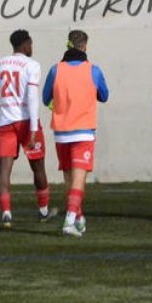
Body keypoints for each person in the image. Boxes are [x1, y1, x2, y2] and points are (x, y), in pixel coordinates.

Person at [42, 30, 108, 237]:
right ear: (85, 46)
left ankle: (78, 218)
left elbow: (45, 98)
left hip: (61, 132)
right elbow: (104, 95)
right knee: (79, 179)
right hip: (83, 132)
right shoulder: (93, 70)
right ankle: (69, 221)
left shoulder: (56, 70)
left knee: (69, 178)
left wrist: (59, 103)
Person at [0, 29, 55, 228]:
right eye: (31, 44)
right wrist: (34, 128)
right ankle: (43, 210)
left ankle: (6, 214)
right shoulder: (32, 65)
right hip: (27, 121)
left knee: (4, 168)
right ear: (26, 44)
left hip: (5, 120)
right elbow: (32, 97)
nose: (32, 48)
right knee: (38, 166)